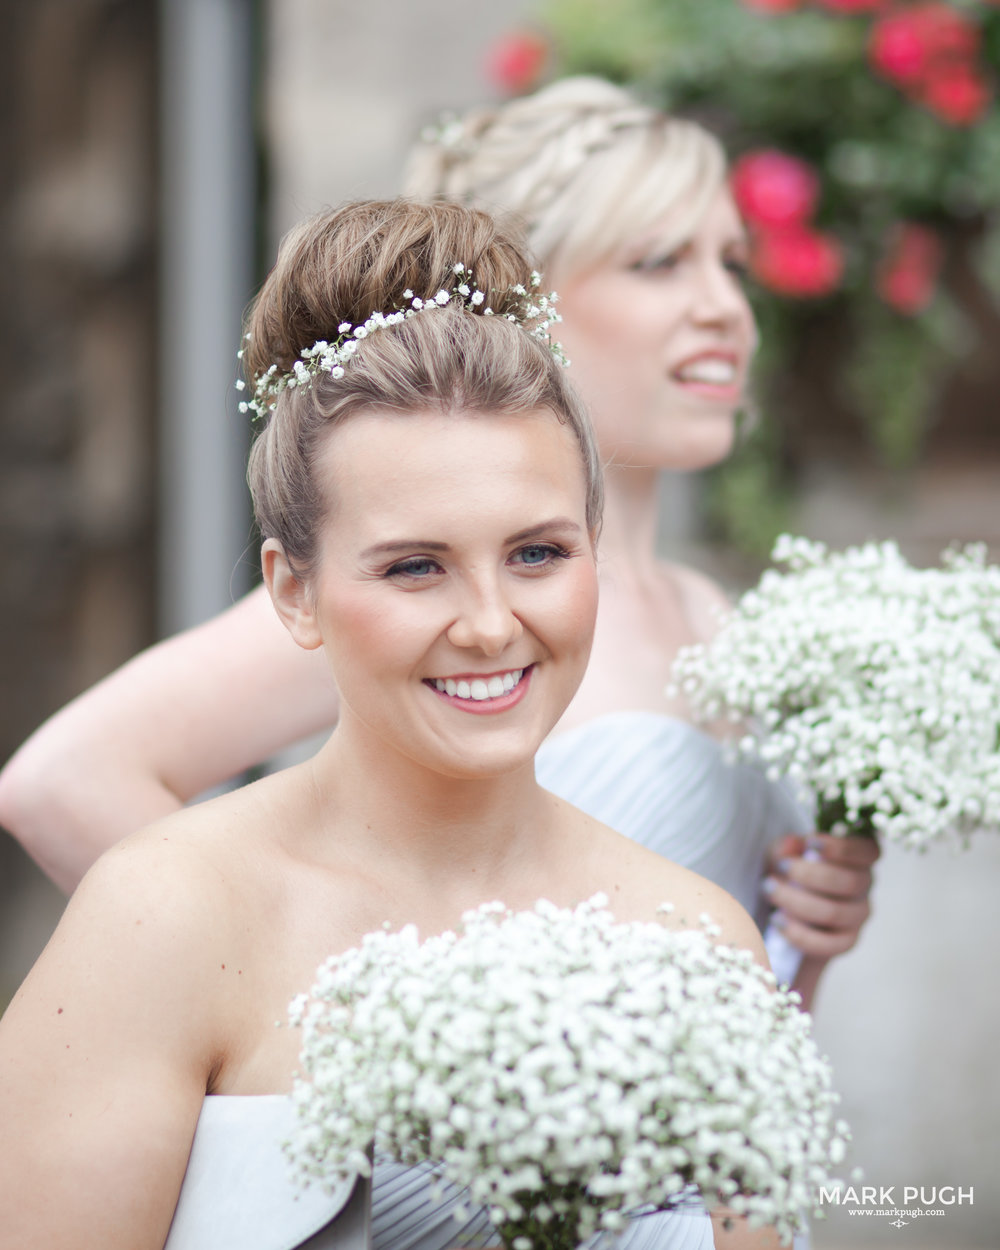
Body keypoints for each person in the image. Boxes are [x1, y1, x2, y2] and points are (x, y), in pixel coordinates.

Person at [0, 199, 780, 1250]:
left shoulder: (699, 942)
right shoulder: (166, 914)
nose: (492, 622)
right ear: (293, 592)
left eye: (539, 552)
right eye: (415, 566)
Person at [0, 77, 876, 1007]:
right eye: (660, 263)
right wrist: (344, 1024)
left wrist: (804, 925)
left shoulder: (709, 612)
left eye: (732, 263)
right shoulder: (403, 594)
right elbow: (65, 781)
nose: (724, 309)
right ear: (530, 299)